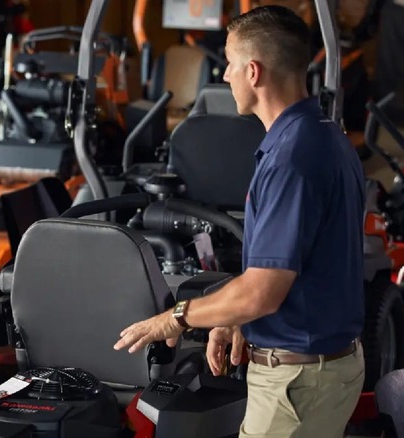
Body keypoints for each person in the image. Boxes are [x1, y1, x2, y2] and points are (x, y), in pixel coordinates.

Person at [113, 6, 366, 437]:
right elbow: (307, 266)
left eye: (229, 64)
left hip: (296, 384)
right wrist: (234, 318)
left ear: (253, 71)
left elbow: (262, 293)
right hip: (318, 371)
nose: (224, 75)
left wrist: (176, 317)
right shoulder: (322, 135)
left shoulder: (291, 159)